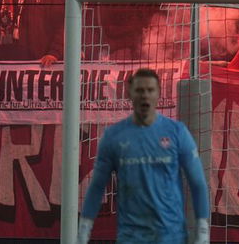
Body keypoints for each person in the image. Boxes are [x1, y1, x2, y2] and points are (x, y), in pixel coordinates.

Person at [79, 67, 210, 244]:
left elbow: (198, 183)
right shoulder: (114, 136)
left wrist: (203, 229)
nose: (145, 95)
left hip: (171, 236)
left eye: (150, 90)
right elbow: (97, 186)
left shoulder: (177, 132)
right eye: (140, 90)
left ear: (158, 93)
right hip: (131, 237)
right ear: (130, 93)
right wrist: (84, 229)